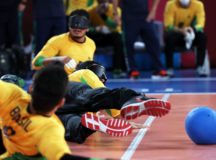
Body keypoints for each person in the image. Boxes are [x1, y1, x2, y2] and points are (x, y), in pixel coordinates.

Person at [1, 62, 172, 144]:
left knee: (67, 125)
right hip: (60, 90)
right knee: (93, 97)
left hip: (41, 114)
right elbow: (100, 93)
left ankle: (85, 125)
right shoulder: (82, 74)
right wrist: (121, 114)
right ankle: (132, 99)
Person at [0, 62, 104, 160]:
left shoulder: (14, 95)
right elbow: (64, 158)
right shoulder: (52, 129)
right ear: (61, 103)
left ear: (31, 88)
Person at [112, 0, 168, 79]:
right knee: (129, 43)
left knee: (154, 42)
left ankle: (159, 69)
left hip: (145, 16)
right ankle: (133, 70)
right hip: (129, 18)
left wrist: (153, 11)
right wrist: (115, 14)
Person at [32, 9, 96, 75]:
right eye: (74, 23)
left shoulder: (91, 44)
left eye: (82, 24)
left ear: (88, 27)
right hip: (62, 81)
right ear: (69, 25)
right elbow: (36, 63)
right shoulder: (57, 40)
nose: (77, 28)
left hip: (83, 81)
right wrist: (57, 59)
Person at [164, 0, 208, 77]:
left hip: (191, 33)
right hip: (177, 33)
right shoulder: (170, 4)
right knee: (169, 38)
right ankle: (169, 68)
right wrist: (180, 30)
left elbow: (201, 24)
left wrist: (192, 29)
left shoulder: (198, 5)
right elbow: (168, 25)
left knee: (202, 37)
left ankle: (200, 67)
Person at [87, 0, 127, 78]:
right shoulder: (91, 10)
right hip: (96, 36)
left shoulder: (116, 10)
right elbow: (86, 28)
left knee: (118, 38)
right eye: (100, 2)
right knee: (86, 37)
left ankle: (117, 69)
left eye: (104, 2)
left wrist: (103, 15)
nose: (103, 5)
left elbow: (115, 27)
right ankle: (88, 67)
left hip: (110, 36)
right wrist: (96, 29)